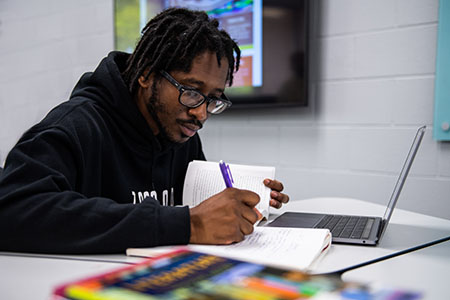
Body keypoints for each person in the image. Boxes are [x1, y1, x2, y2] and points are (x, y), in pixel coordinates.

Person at [0, 8, 289, 254]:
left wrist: (243, 201)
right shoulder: (76, 126)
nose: (201, 113)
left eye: (213, 99)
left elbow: (189, 201)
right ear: (146, 74)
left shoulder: (181, 132)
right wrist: (189, 224)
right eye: (190, 91)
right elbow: (12, 212)